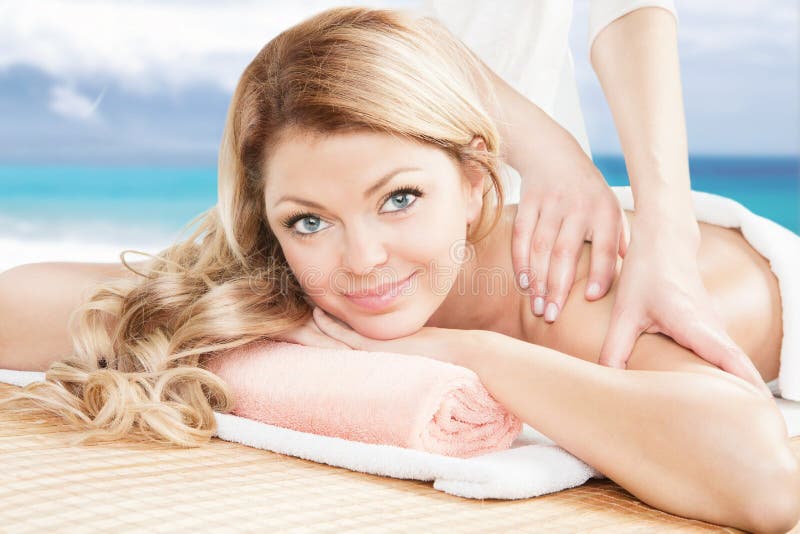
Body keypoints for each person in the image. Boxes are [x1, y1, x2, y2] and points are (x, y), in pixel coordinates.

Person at [0, 7, 796, 532]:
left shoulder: (566, 285)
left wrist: (465, 354)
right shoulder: (325, 273)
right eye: (307, 220)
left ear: (477, 182)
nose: (362, 260)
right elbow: (33, 304)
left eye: (400, 199)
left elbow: (766, 483)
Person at [417, 1, 770, 395]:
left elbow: (740, 439)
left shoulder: (564, 298)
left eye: (397, 199)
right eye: (329, 220)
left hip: (549, 214)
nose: (364, 256)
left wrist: (667, 235)